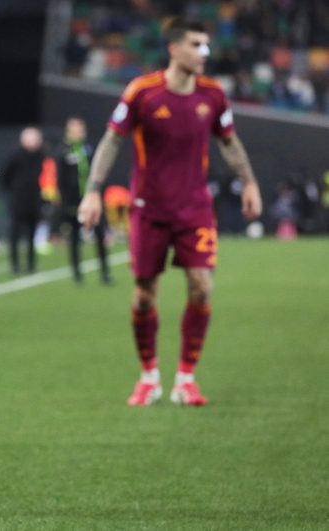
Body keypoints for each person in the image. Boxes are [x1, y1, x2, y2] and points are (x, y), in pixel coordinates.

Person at [78, 18, 262, 406]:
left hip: (195, 208)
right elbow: (112, 141)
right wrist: (93, 192)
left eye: (207, 45)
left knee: (202, 285)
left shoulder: (213, 95)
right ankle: (149, 377)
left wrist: (249, 182)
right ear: (174, 49)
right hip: (148, 209)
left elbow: (229, 142)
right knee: (144, 295)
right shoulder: (142, 92)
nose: (205, 53)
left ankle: (186, 378)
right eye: (197, 45)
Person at [56, 117, 112, 285]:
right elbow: (60, 179)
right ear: (68, 130)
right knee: (74, 238)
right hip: (73, 203)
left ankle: (104, 273)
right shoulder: (63, 151)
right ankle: (77, 274)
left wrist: (98, 195)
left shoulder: (89, 148)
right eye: (75, 128)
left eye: (81, 128)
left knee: (100, 235)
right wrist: (65, 202)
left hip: (92, 202)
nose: (79, 131)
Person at [1, 127, 45, 274]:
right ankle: (15, 265)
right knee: (15, 234)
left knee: (33, 236)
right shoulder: (16, 157)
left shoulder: (42, 157)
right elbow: (4, 177)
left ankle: (31, 265)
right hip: (19, 202)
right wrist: (14, 191)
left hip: (35, 201)